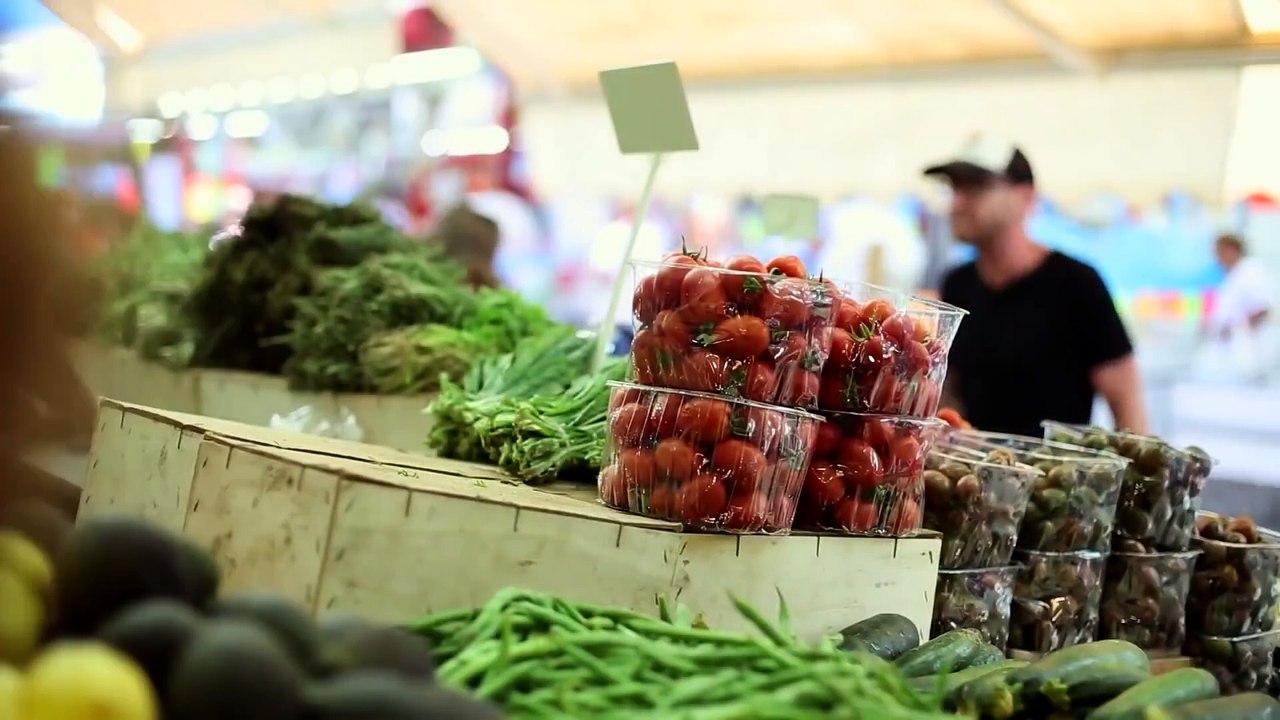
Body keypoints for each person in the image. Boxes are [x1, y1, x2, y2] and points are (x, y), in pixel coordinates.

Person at [927, 134, 1149, 436]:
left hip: (1055, 478)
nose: (959, 202)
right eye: (955, 187)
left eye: (977, 186)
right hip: (972, 475)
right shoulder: (958, 283)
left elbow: (1127, 404)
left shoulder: (1077, 285)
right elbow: (949, 392)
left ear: (1026, 197)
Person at [1202, 232, 1274, 380]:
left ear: (1232, 249)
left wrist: (1239, 329)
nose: (1217, 258)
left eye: (1220, 252)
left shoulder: (1251, 271)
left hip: (1250, 346)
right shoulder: (1233, 275)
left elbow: (1262, 309)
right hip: (1231, 346)